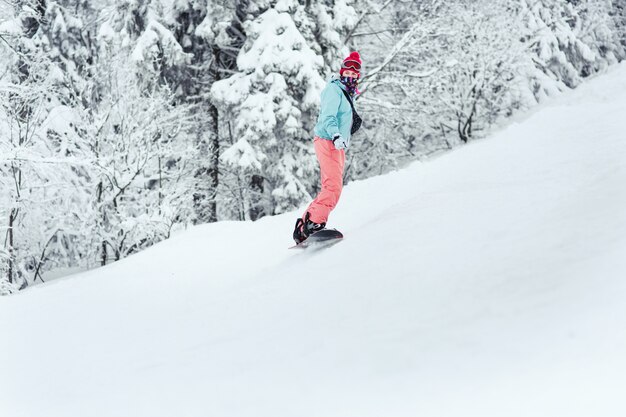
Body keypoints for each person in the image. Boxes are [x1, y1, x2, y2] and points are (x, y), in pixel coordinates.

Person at [293, 51, 362, 244]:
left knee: (331, 186)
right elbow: (328, 117)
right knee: (333, 187)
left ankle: (304, 227)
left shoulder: (347, 93)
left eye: (354, 75)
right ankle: (314, 223)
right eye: (347, 73)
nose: (350, 77)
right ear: (342, 73)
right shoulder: (334, 90)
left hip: (336, 144)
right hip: (329, 140)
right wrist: (336, 134)